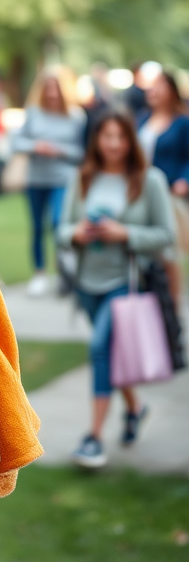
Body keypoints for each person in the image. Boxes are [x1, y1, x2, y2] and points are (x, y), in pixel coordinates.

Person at [57, 111, 175, 468]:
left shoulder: (149, 180)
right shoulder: (83, 177)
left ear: (131, 141)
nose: (113, 144)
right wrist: (77, 233)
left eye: (120, 137)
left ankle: (93, 439)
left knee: (99, 349)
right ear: (97, 140)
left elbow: (167, 235)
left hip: (126, 282)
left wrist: (126, 234)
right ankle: (136, 409)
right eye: (106, 136)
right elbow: (62, 230)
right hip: (87, 282)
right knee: (111, 353)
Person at [11, 67, 86, 296]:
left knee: (58, 223)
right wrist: (35, 146)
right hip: (36, 179)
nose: (52, 93)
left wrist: (58, 150)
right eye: (48, 87)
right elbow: (16, 142)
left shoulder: (76, 117)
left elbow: (82, 152)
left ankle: (65, 269)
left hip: (63, 179)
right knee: (36, 227)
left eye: (56, 88)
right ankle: (40, 273)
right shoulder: (34, 113)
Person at [137, 69, 189, 299]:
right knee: (147, 254)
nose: (153, 90)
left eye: (159, 85)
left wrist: (184, 180)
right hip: (141, 193)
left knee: (169, 255)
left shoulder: (181, 123)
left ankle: (174, 312)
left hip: (168, 193)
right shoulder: (142, 120)